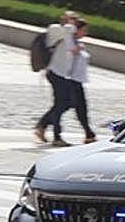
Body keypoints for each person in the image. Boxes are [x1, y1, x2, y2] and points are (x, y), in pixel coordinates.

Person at [34, 10, 78, 146]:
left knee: (66, 103)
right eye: (70, 18)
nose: (72, 21)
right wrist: (70, 24)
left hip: (63, 74)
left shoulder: (69, 34)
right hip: (54, 72)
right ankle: (56, 136)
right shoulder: (55, 29)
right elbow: (70, 29)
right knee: (60, 104)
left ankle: (42, 125)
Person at [68, 18, 98, 144]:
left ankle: (88, 133)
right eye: (84, 30)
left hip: (77, 80)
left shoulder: (79, 44)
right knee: (75, 106)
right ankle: (89, 133)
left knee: (79, 107)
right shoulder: (70, 44)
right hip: (70, 80)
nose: (85, 33)